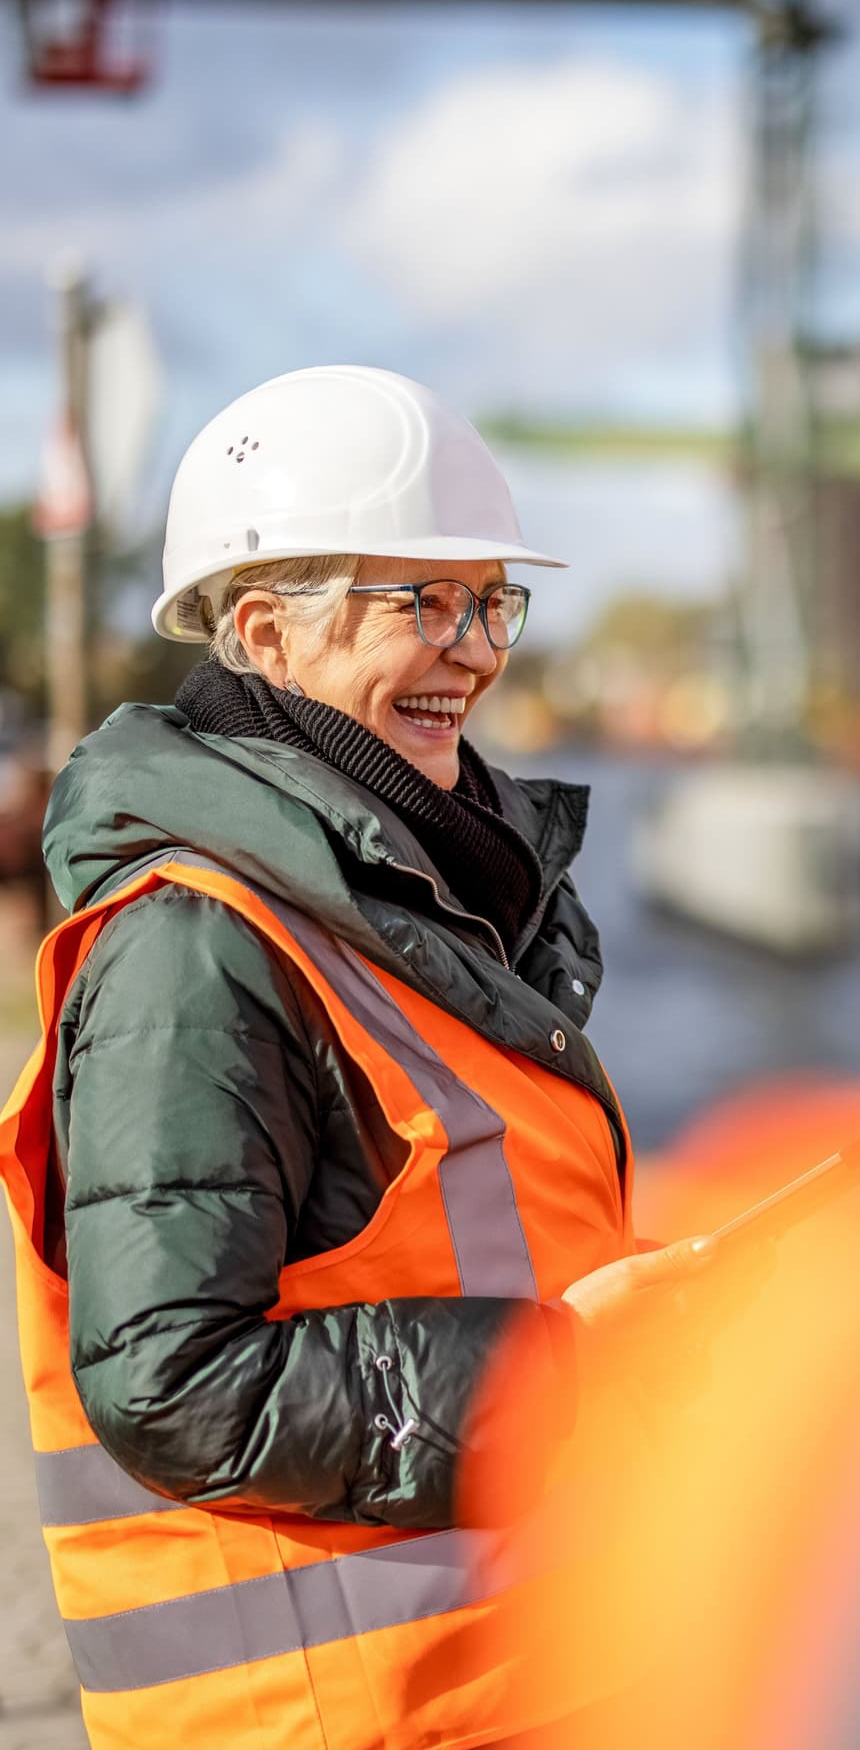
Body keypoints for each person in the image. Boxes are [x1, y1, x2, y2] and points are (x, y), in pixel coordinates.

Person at [0, 365, 709, 1750]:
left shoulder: (413, 900)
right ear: (264, 630)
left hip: (510, 1679)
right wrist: (552, 1374)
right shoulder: (196, 946)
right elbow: (171, 1378)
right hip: (335, 1717)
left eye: (491, 600)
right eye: (422, 602)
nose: (475, 649)